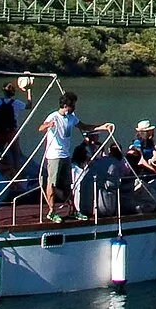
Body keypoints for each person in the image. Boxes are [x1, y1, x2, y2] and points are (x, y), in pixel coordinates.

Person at [39, 92, 111, 222]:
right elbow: (41, 128)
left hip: (66, 155)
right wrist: (48, 125)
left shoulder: (71, 118)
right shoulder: (54, 116)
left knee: (68, 184)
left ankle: (72, 210)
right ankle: (51, 211)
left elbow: (84, 126)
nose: (74, 108)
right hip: (54, 155)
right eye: (73, 105)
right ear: (66, 105)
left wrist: (102, 127)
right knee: (52, 183)